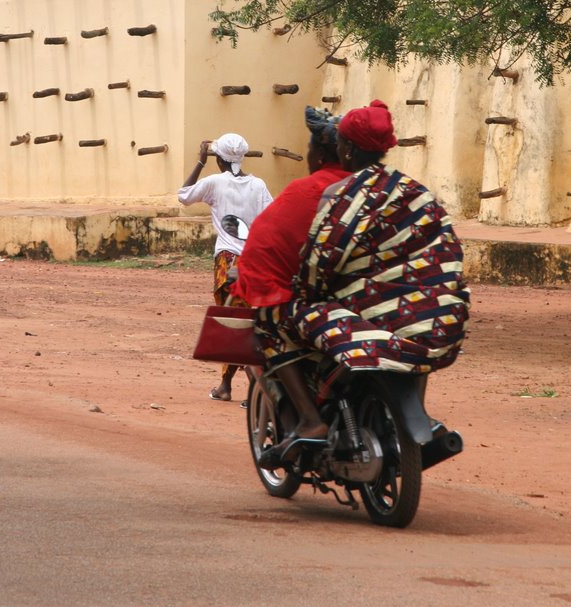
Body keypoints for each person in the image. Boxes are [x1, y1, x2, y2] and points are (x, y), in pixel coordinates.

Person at [254, 99, 470, 457]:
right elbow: (447, 252)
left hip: (377, 316)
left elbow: (320, 262)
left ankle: (310, 420)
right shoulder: (417, 193)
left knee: (272, 320)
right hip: (441, 317)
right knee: (415, 327)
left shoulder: (341, 197)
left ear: (348, 149)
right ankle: (415, 410)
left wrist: (308, 292)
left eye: (340, 142)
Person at [178, 132, 273, 401]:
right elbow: (272, 218)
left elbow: (183, 196)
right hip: (255, 263)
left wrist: (199, 162)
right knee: (251, 323)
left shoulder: (215, 182)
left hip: (228, 263)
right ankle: (231, 386)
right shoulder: (259, 186)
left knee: (234, 325)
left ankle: (251, 390)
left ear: (218, 159)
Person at [232, 106, 349, 309]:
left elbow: (262, 250)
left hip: (304, 308)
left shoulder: (304, 191)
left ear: (319, 154)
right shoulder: (372, 188)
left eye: (309, 150)